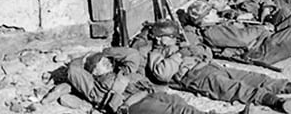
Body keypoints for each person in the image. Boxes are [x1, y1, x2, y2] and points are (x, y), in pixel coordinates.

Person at [144, 20, 291, 114]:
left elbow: (207, 52)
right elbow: (163, 74)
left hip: (209, 65)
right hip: (194, 76)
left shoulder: (179, 45)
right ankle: (277, 102)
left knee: (251, 77)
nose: (175, 39)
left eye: (175, 36)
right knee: (235, 88)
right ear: (159, 38)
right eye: (171, 37)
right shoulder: (156, 54)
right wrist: (180, 55)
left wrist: (197, 51)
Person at [66, 45, 235, 114]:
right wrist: (83, 58)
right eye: (102, 63)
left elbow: (131, 54)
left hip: (150, 93)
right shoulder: (96, 87)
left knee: (179, 103)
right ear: (94, 71)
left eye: (106, 60)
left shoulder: (124, 71)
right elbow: (73, 70)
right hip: (133, 105)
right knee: (176, 112)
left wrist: (105, 51)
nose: (108, 62)